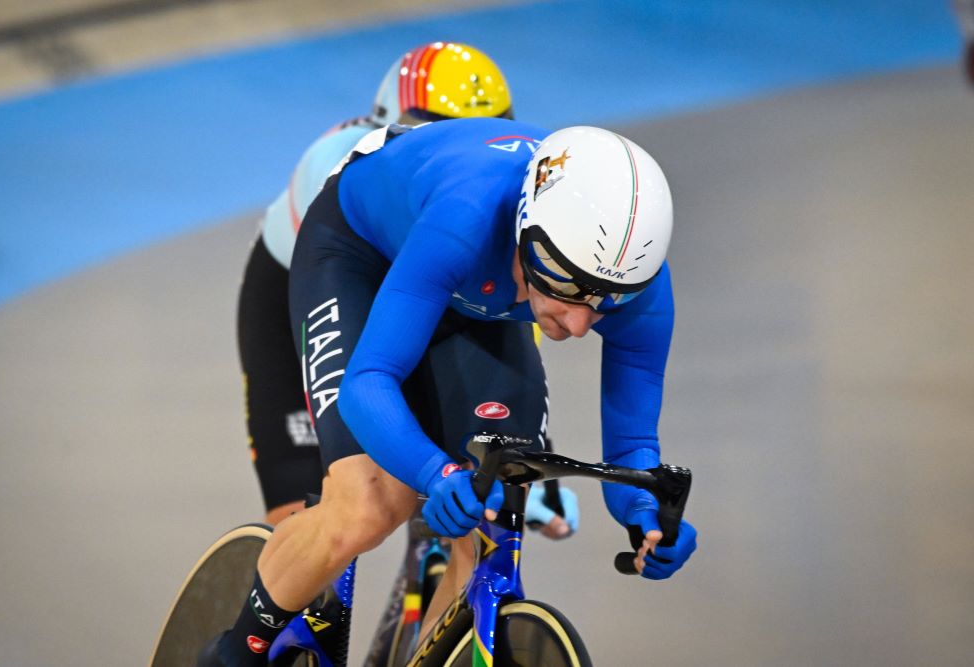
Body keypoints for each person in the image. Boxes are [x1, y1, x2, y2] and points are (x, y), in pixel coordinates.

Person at [203, 118, 699, 667]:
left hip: (478, 290)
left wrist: (644, 514)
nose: (580, 324)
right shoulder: (466, 219)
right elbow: (367, 385)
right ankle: (235, 650)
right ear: (527, 232)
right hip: (361, 253)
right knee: (370, 504)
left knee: (492, 512)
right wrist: (434, 474)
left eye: (608, 301)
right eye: (567, 287)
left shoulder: (638, 287)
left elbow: (630, 447)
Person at [237, 41, 576, 536]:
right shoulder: (340, 160)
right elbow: (358, 312)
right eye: (433, 128)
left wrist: (527, 449)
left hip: (417, 297)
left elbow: (515, 321)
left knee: (471, 495)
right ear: (387, 122)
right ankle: (277, 609)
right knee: (327, 506)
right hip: (307, 296)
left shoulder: (493, 183)